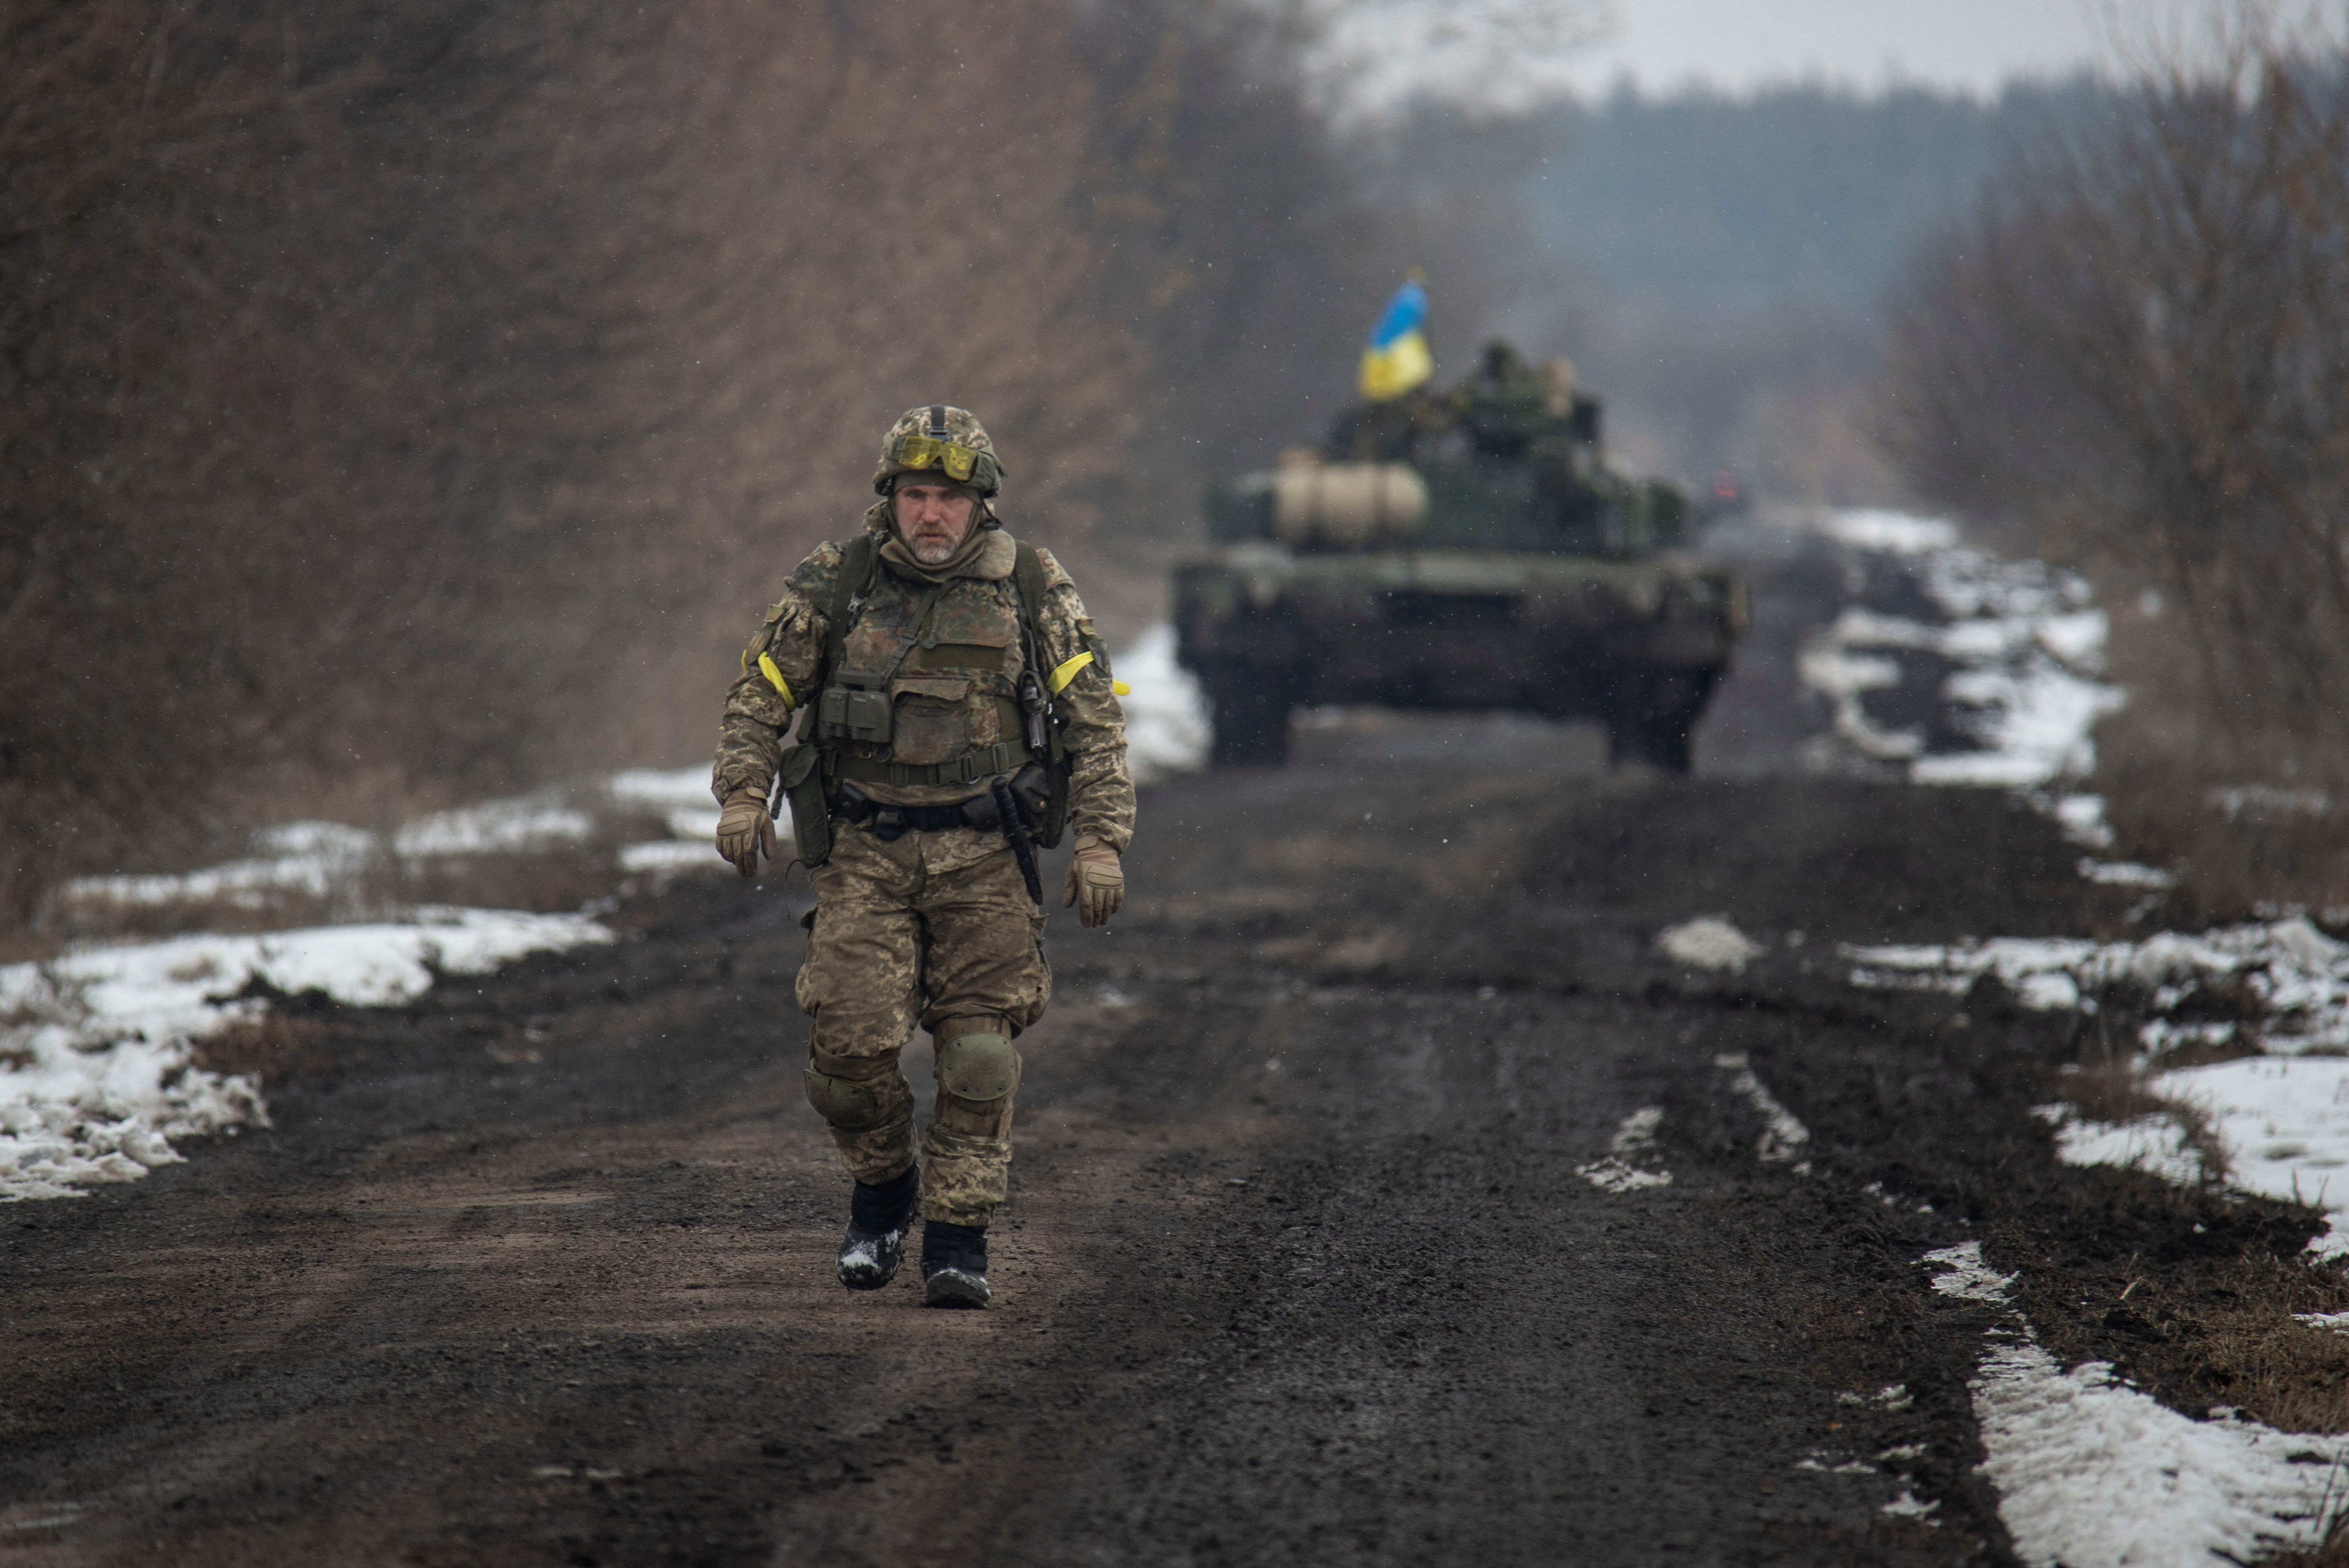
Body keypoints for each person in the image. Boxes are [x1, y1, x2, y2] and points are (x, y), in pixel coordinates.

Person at [709, 405, 1135, 1308]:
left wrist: (1100, 840)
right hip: (867, 851)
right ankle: (884, 1187)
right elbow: (760, 693)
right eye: (914, 494)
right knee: (846, 1056)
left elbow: (1094, 724)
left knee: (979, 1058)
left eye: (947, 496)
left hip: (986, 853)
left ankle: (956, 1239)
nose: (930, 513)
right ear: (890, 498)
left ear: (978, 503)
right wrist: (743, 790)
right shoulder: (840, 581)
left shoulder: (1029, 584)